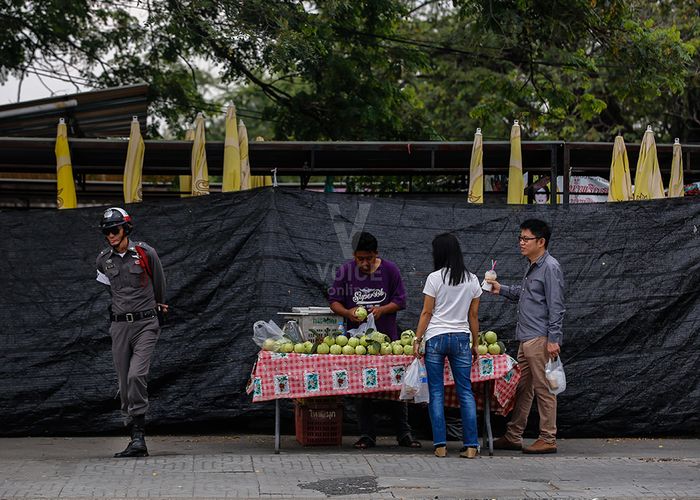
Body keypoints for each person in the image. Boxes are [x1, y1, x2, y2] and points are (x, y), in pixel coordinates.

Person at [328, 231, 420, 450]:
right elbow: (333, 301)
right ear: (354, 256)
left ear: (376, 254)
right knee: (362, 389)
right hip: (357, 344)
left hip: (388, 342)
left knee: (396, 387)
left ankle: (404, 434)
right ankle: (367, 435)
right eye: (360, 259)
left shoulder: (390, 270)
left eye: (369, 258)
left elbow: (401, 300)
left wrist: (383, 310)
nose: (365, 263)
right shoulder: (346, 271)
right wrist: (348, 312)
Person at [485, 218, 565, 454]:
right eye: (520, 238)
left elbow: (557, 305)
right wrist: (501, 289)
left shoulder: (550, 267)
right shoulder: (533, 266)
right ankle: (513, 435)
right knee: (523, 389)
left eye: (526, 238)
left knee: (544, 389)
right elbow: (527, 294)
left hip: (540, 339)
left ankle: (548, 437)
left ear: (541, 242)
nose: (521, 242)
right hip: (527, 338)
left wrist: (553, 339)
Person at [95, 207, 168, 458]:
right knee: (124, 382)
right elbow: (111, 291)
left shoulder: (146, 253)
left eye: (114, 230)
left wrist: (159, 305)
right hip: (119, 326)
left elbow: (159, 282)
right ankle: (134, 436)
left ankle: (139, 438)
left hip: (146, 323)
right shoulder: (103, 260)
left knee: (137, 375)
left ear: (126, 229)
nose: (111, 236)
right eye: (107, 232)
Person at [412, 233, 481, 458]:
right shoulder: (472, 279)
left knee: (436, 391)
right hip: (461, 338)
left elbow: (426, 312)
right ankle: (471, 446)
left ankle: (440, 445)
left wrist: (417, 339)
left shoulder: (434, 278)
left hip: (436, 338)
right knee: (465, 392)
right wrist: (475, 344)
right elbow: (473, 316)